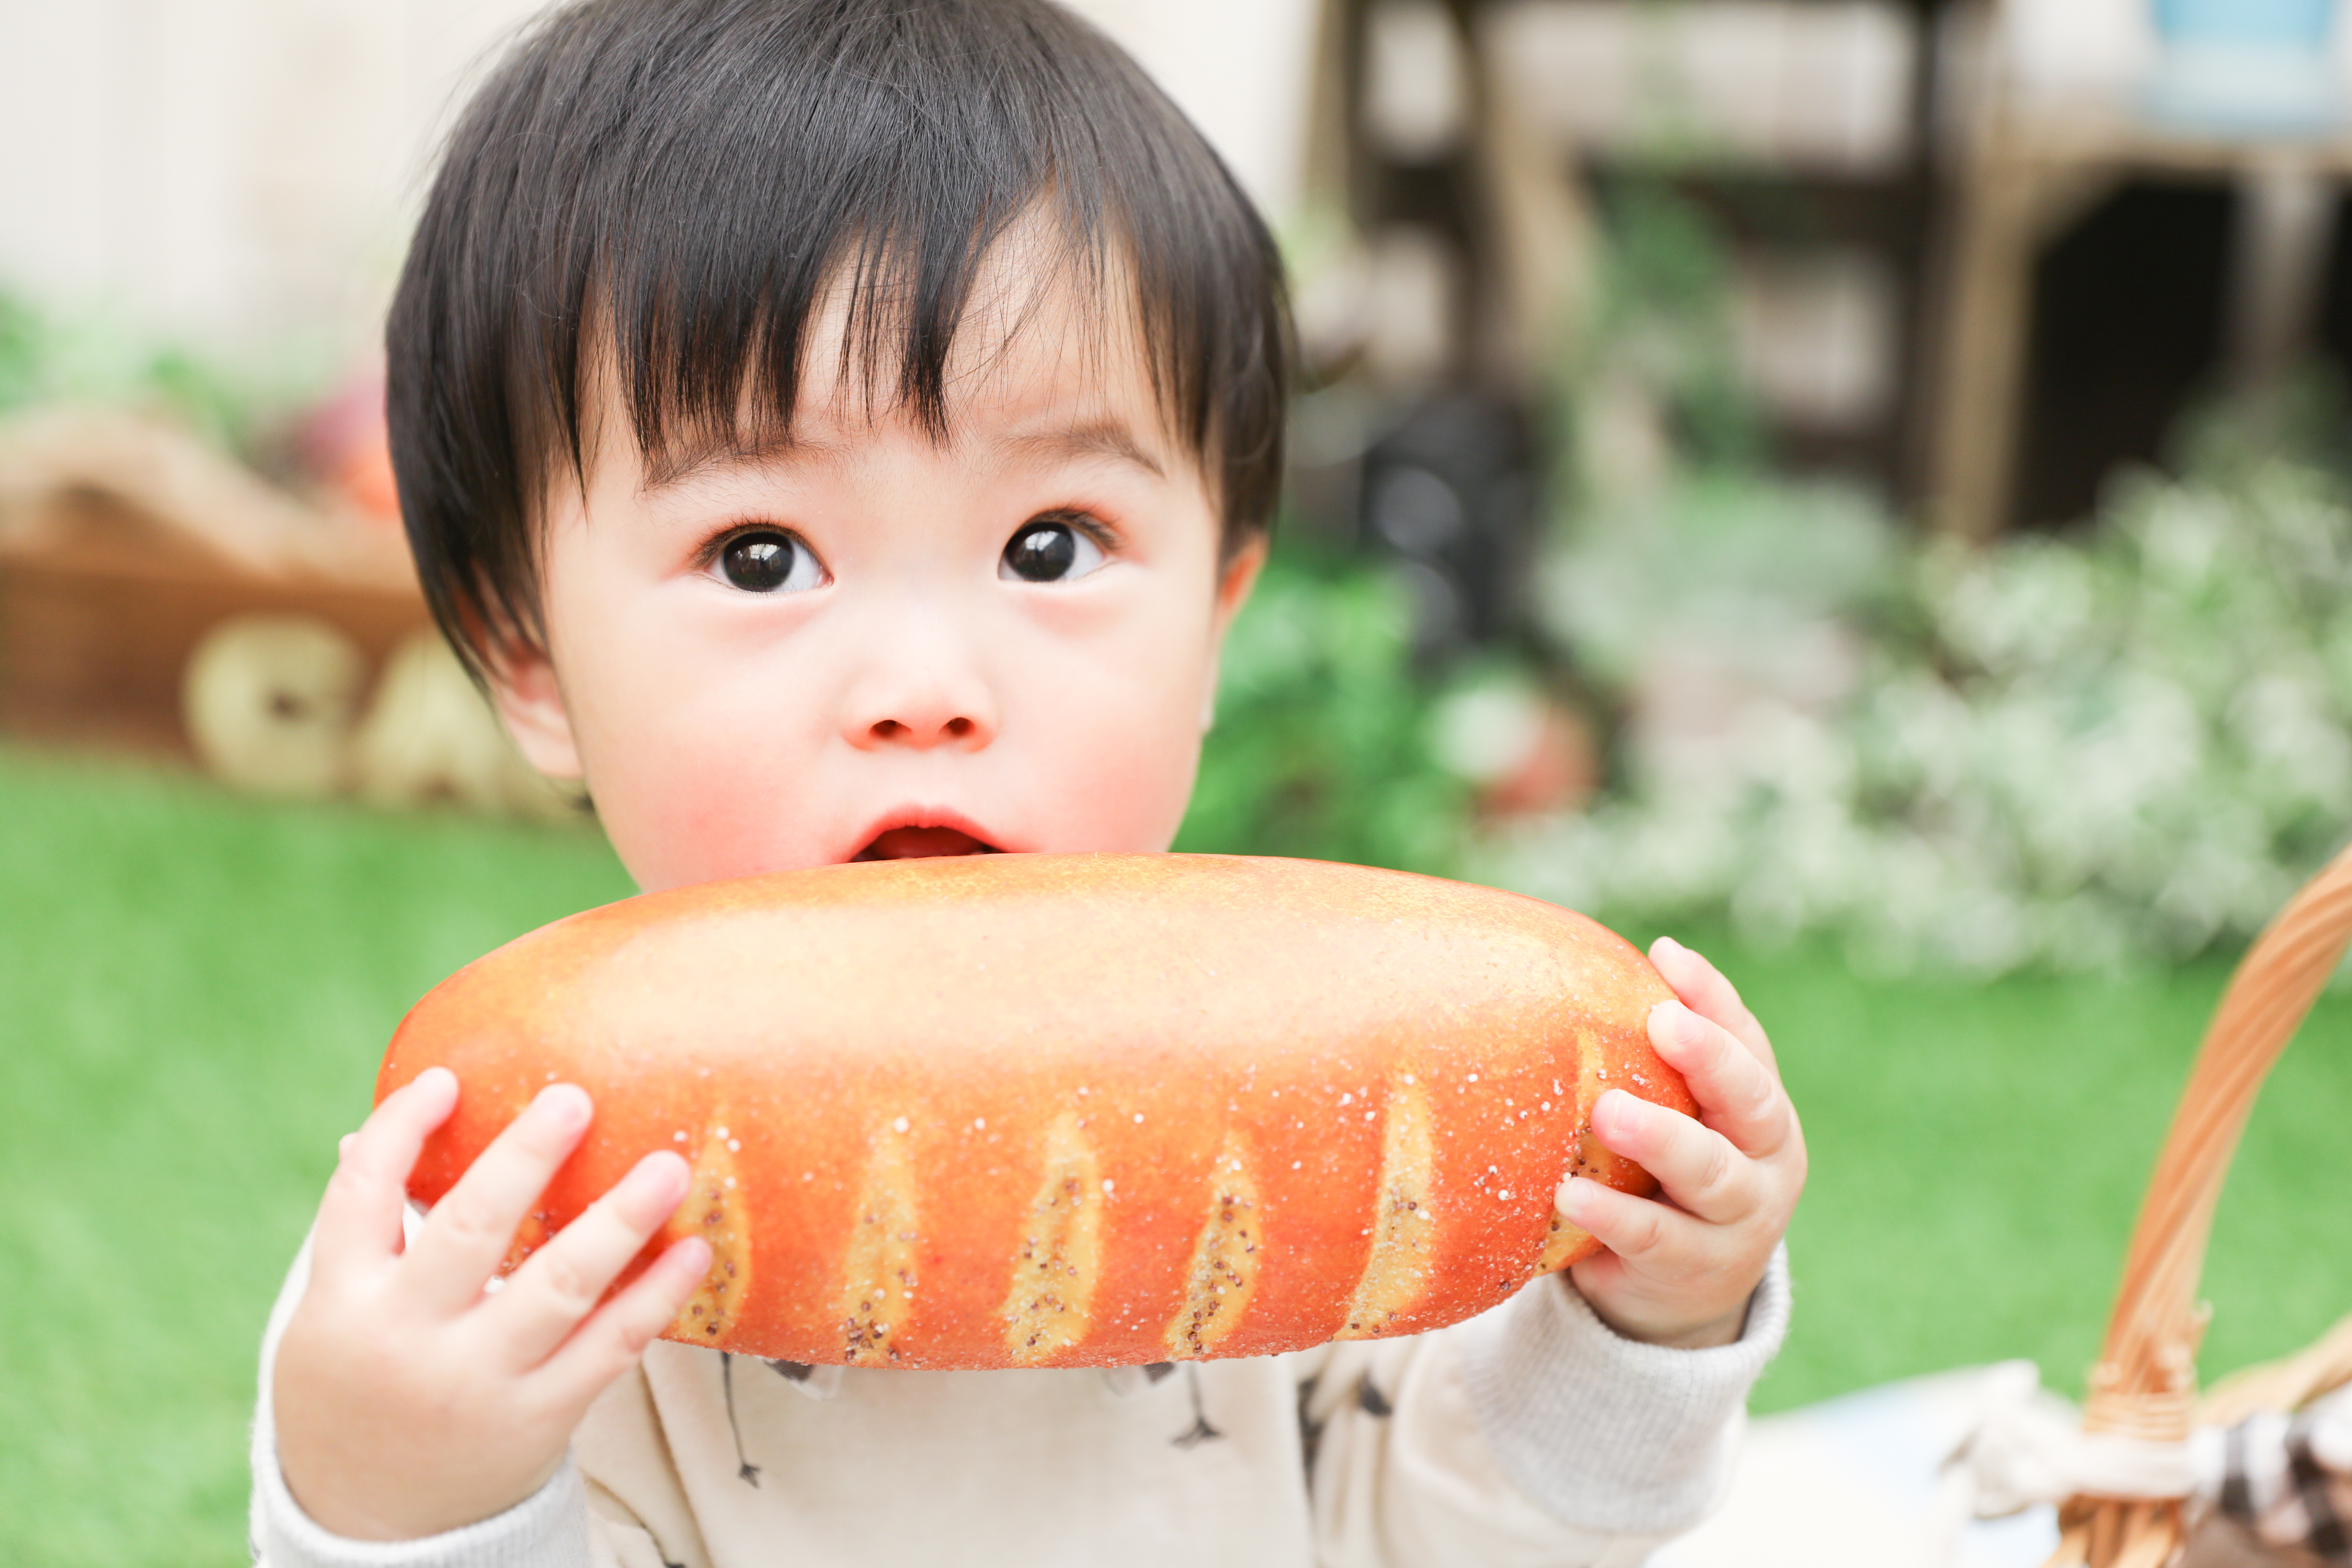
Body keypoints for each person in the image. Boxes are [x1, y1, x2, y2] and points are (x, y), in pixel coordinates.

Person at [249, 2, 1808, 1563]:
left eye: (1049, 546)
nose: (928, 691)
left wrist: (1640, 1329)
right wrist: (411, 1488)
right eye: (760, 555)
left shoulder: (1331, 1117)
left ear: (1211, 632)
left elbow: (1481, 1541)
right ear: (534, 665)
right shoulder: (514, 1247)